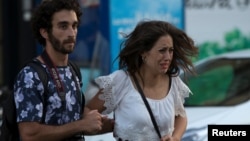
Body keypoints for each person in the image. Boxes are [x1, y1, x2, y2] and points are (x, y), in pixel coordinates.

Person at [13, 0, 112, 141]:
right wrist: (81, 125)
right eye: (63, 26)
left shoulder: (73, 70)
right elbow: (29, 134)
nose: (71, 33)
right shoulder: (31, 75)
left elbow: (70, 127)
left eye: (74, 26)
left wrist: (106, 125)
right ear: (45, 32)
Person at [85, 20, 199, 141]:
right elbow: (87, 112)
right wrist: (108, 125)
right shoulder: (120, 81)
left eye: (170, 50)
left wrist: (175, 138)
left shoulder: (173, 81)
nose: (168, 57)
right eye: (162, 50)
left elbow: (181, 116)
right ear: (143, 53)